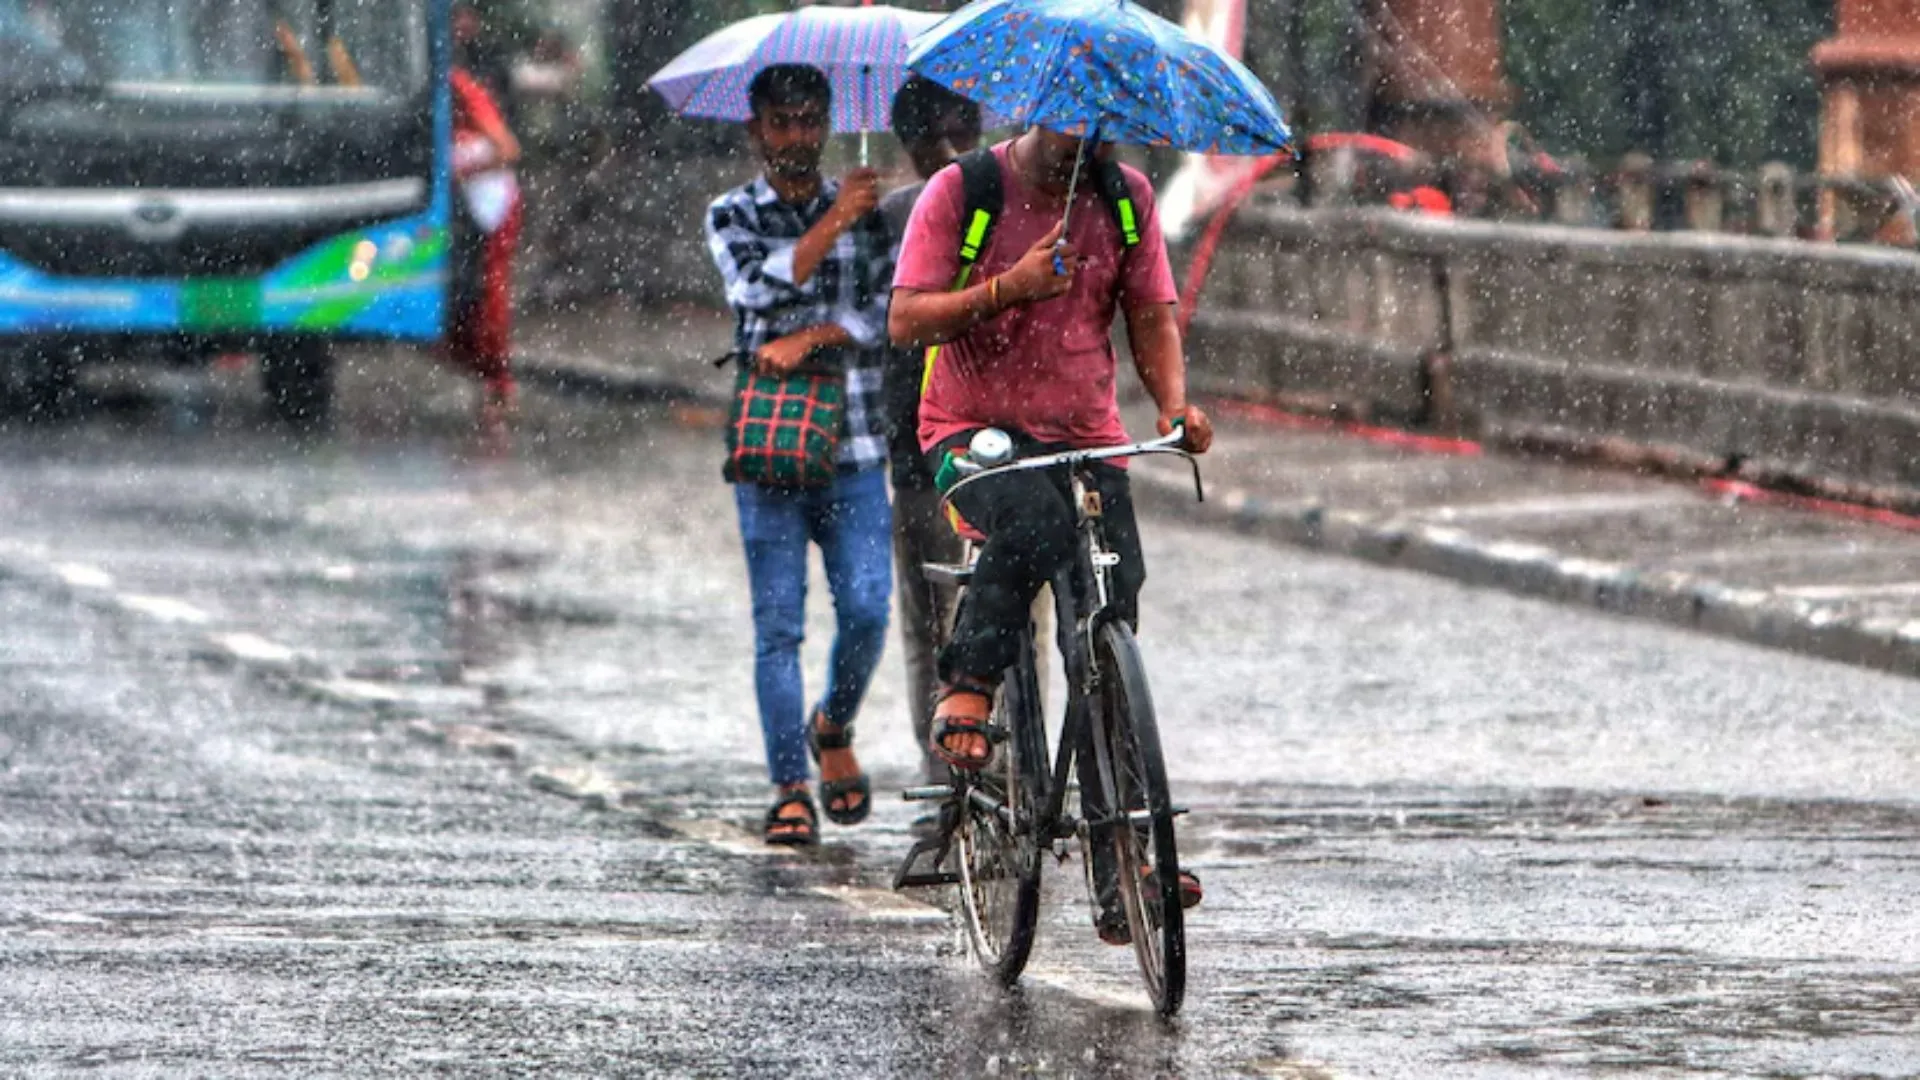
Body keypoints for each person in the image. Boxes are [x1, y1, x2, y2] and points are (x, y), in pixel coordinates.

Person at [888, 124, 1213, 941]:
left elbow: (1152, 316)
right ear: (1038, 110)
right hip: (973, 433)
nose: (1088, 141)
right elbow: (906, 321)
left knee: (1109, 616)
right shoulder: (965, 194)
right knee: (1031, 522)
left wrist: (1174, 407)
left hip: (1086, 436)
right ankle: (968, 680)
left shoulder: (1126, 199)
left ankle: (1124, 866)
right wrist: (1008, 288)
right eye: (1072, 123)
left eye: (1104, 127)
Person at [705, 64, 895, 847]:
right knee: (777, 626)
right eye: (781, 122)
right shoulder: (731, 214)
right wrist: (830, 225)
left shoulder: (869, 213)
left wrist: (817, 334)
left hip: (855, 443)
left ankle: (834, 722)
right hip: (770, 448)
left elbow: (888, 313)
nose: (797, 136)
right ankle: (789, 785)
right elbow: (756, 293)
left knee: (867, 609)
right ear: (755, 130)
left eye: (809, 120)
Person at [878, 76, 982, 802]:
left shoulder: (999, 201)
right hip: (929, 445)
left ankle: (973, 761)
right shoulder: (886, 219)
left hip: (971, 440)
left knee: (966, 616)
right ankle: (954, 762)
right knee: (942, 615)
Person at [448, 9, 524, 419]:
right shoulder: (445, 86)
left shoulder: (462, 87)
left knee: (491, 293)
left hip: (493, 205)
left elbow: (508, 149)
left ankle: (497, 379)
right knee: (472, 296)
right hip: (467, 209)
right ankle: (488, 373)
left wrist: (460, 169)